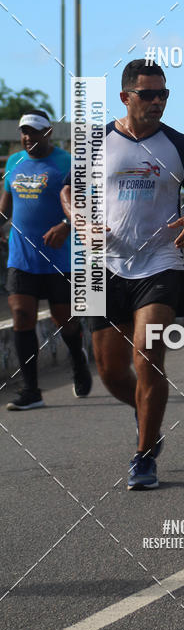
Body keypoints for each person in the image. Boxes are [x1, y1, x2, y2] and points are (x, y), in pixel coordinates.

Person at [61, 60, 184, 490]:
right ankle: (149, 416)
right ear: (126, 97)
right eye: (148, 94)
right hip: (102, 267)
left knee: (147, 355)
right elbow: (69, 191)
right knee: (110, 371)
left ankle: (144, 455)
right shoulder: (97, 142)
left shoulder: (179, 144)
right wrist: (77, 219)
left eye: (163, 94)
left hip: (160, 263)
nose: (157, 102)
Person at [0, 111, 91, 410]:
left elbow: (86, 204)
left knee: (63, 319)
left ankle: (78, 360)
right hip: (21, 256)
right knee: (22, 316)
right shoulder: (14, 162)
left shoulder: (67, 163)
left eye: (35, 132)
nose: (28, 137)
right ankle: (31, 391)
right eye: (24, 132)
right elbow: (7, 201)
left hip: (59, 258)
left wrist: (66, 226)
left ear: (49, 132)